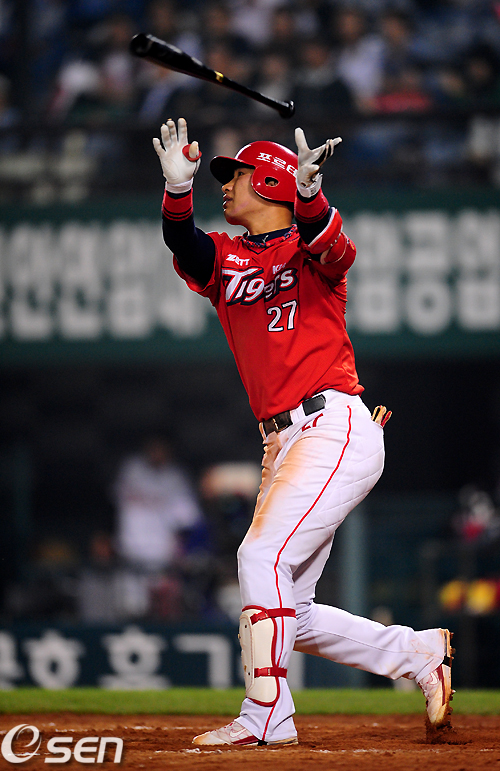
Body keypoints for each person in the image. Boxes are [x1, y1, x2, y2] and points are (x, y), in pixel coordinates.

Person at [153, 118, 454, 746]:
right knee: (291, 607)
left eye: (236, 175)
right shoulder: (227, 257)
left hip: (329, 423)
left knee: (259, 558)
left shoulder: (312, 250)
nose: (224, 185)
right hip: (282, 440)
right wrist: (176, 192)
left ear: (269, 183)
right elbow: (184, 243)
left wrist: (311, 196)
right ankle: (417, 653)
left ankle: (266, 713)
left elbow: (335, 249)